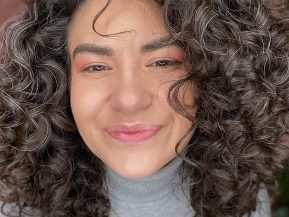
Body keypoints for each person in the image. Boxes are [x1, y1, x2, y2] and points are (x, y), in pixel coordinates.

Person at [0, 0, 288, 216]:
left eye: (163, 62)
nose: (129, 99)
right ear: (60, 84)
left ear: (213, 78)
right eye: (97, 66)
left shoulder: (247, 200)